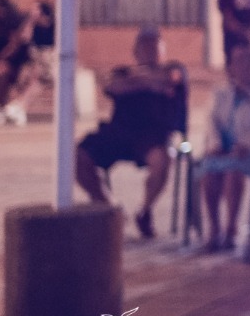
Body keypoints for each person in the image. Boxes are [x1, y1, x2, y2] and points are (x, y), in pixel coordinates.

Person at [73, 25, 188, 239]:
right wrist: (148, 81)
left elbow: (171, 79)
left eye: (154, 47)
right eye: (144, 47)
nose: (150, 51)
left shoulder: (174, 68)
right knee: (76, 156)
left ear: (163, 50)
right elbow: (112, 86)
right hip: (119, 133)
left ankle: (145, 210)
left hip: (153, 136)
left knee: (162, 161)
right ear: (135, 51)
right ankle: (109, 207)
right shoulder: (122, 71)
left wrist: (139, 81)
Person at [197, 42, 250, 253]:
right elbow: (212, 122)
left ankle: (231, 228)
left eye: (248, 61)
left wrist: (245, 145)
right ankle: (214, 229)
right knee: (210, 170)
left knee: (233, 172)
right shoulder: (222, 93)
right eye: (238, 62)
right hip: (225, 151)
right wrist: (216, 144)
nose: (243, 66)